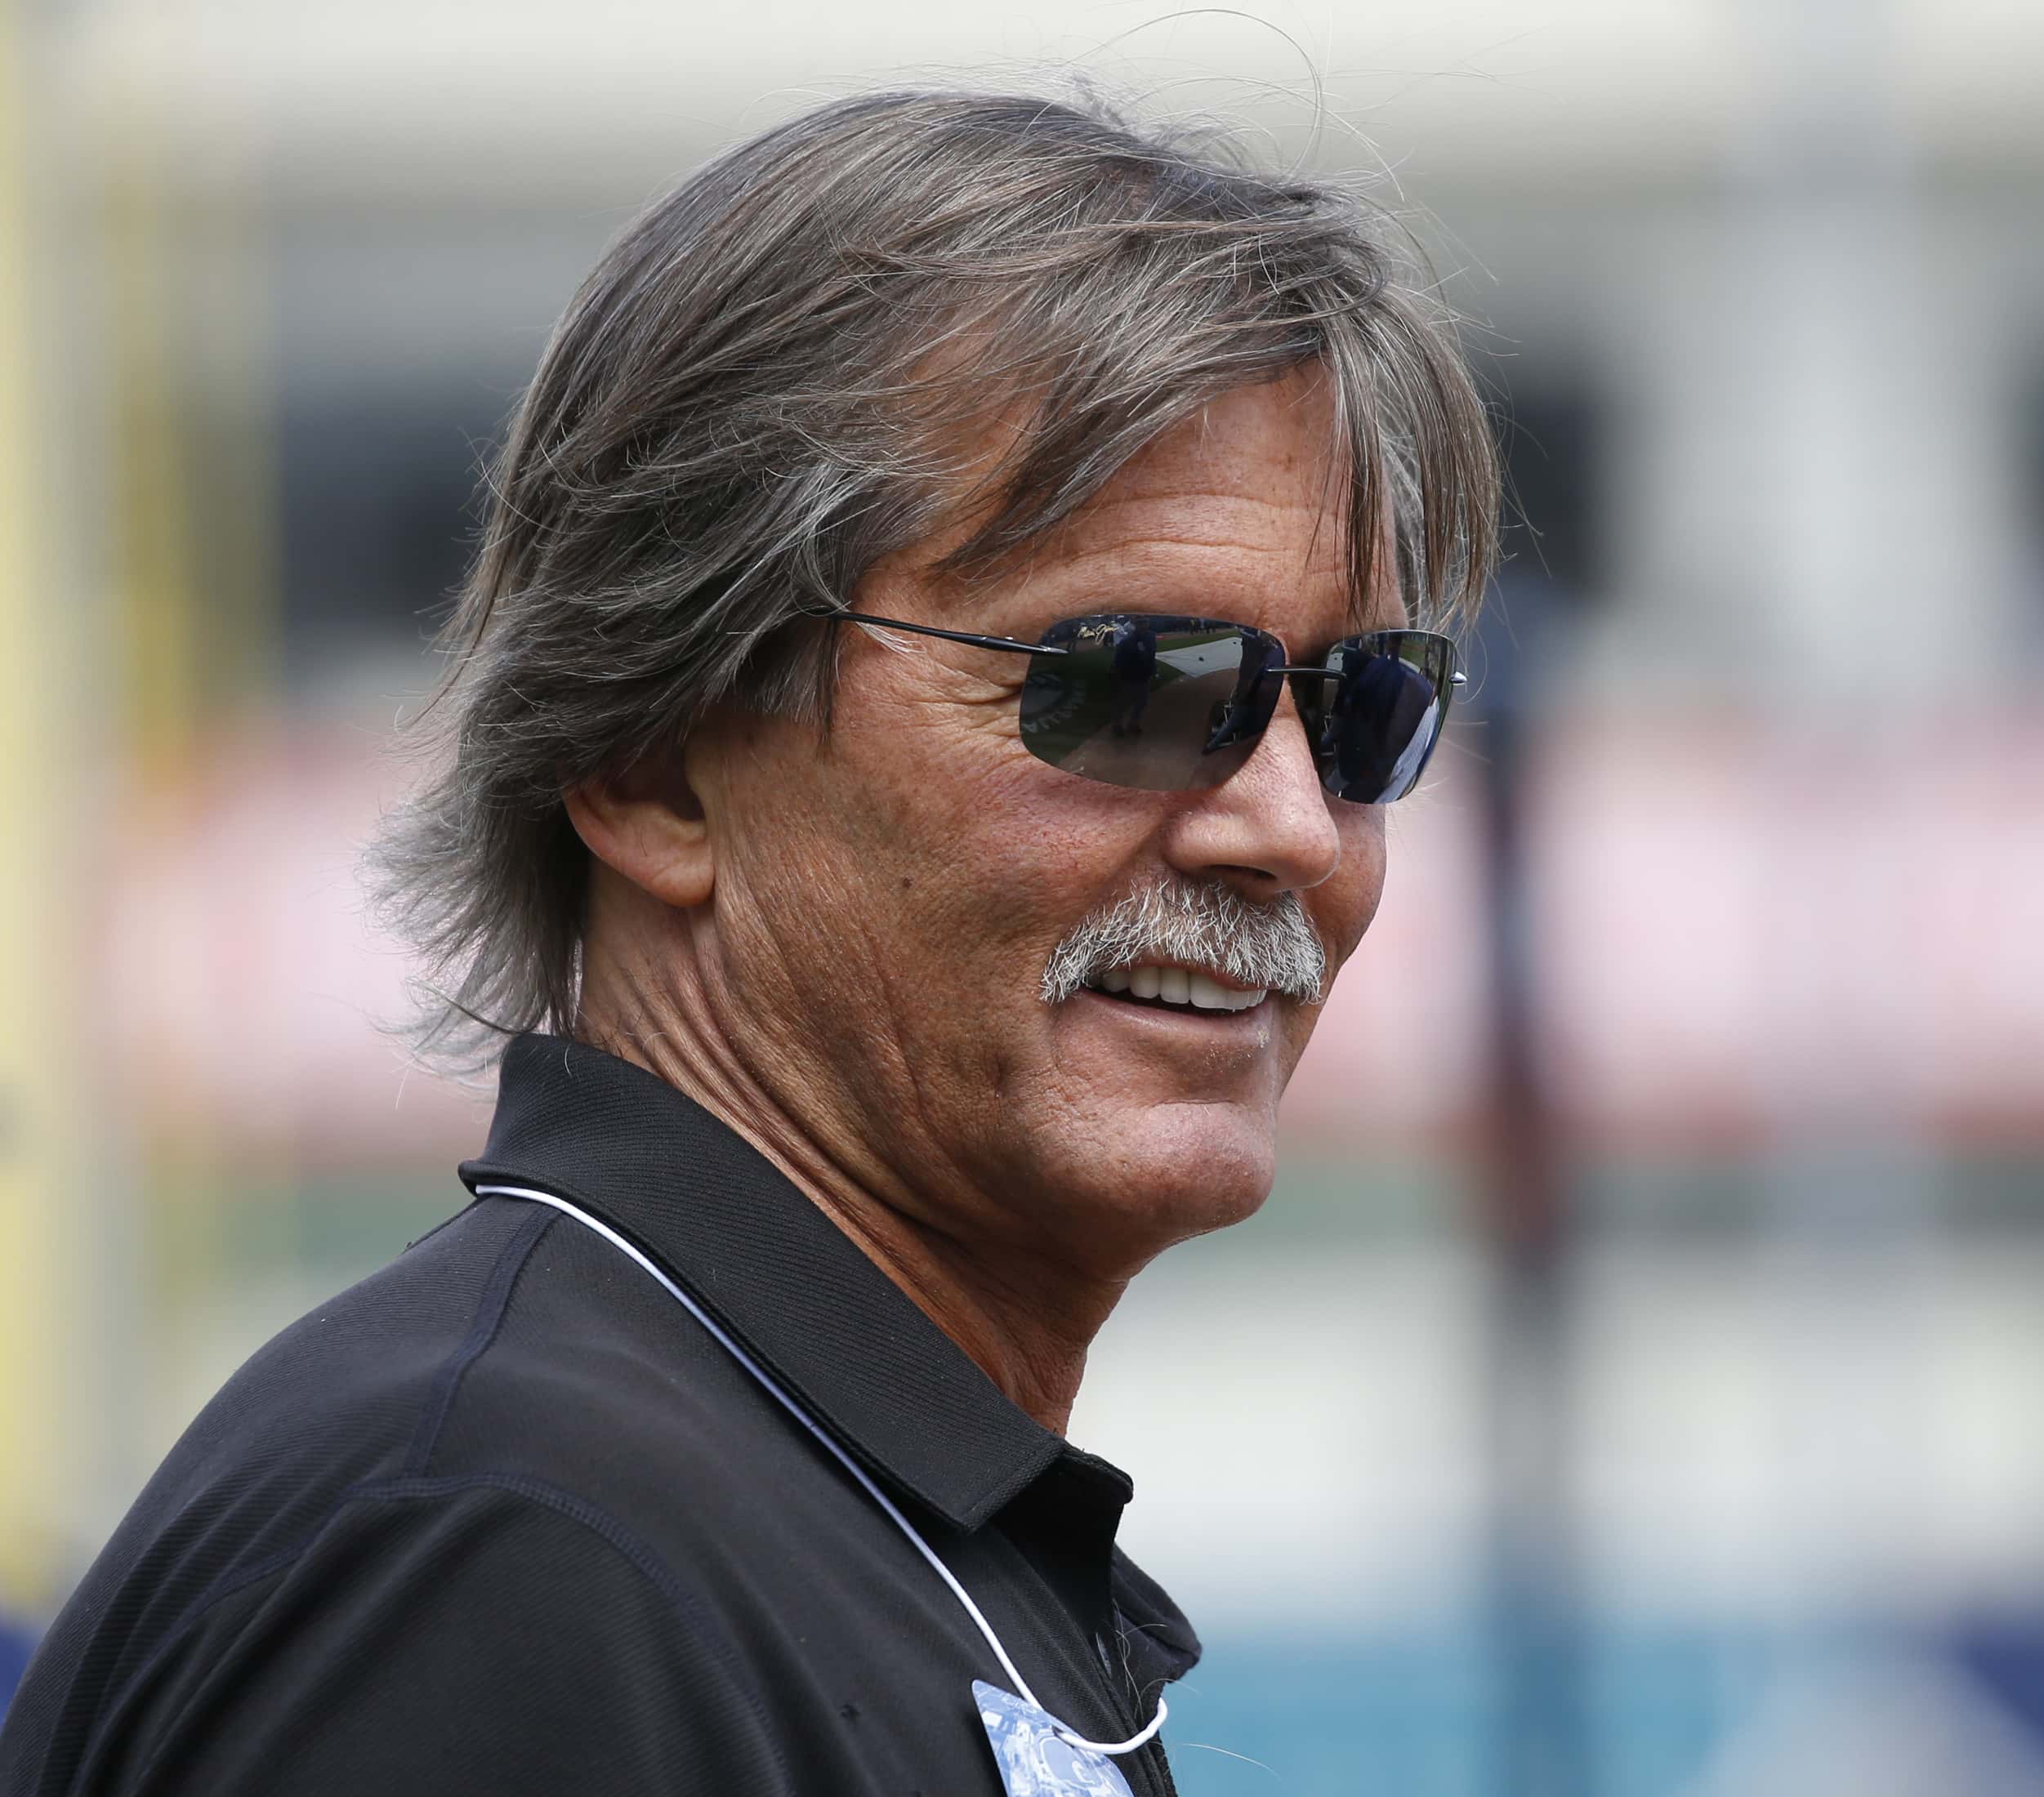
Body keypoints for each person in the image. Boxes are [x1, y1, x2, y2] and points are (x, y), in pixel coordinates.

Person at [0, 87, 1497, 1797]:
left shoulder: (784, 1498)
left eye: (1366, 707)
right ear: (652, 763)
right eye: (1137, 683)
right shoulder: (509, 1545)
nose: (1292, 826)